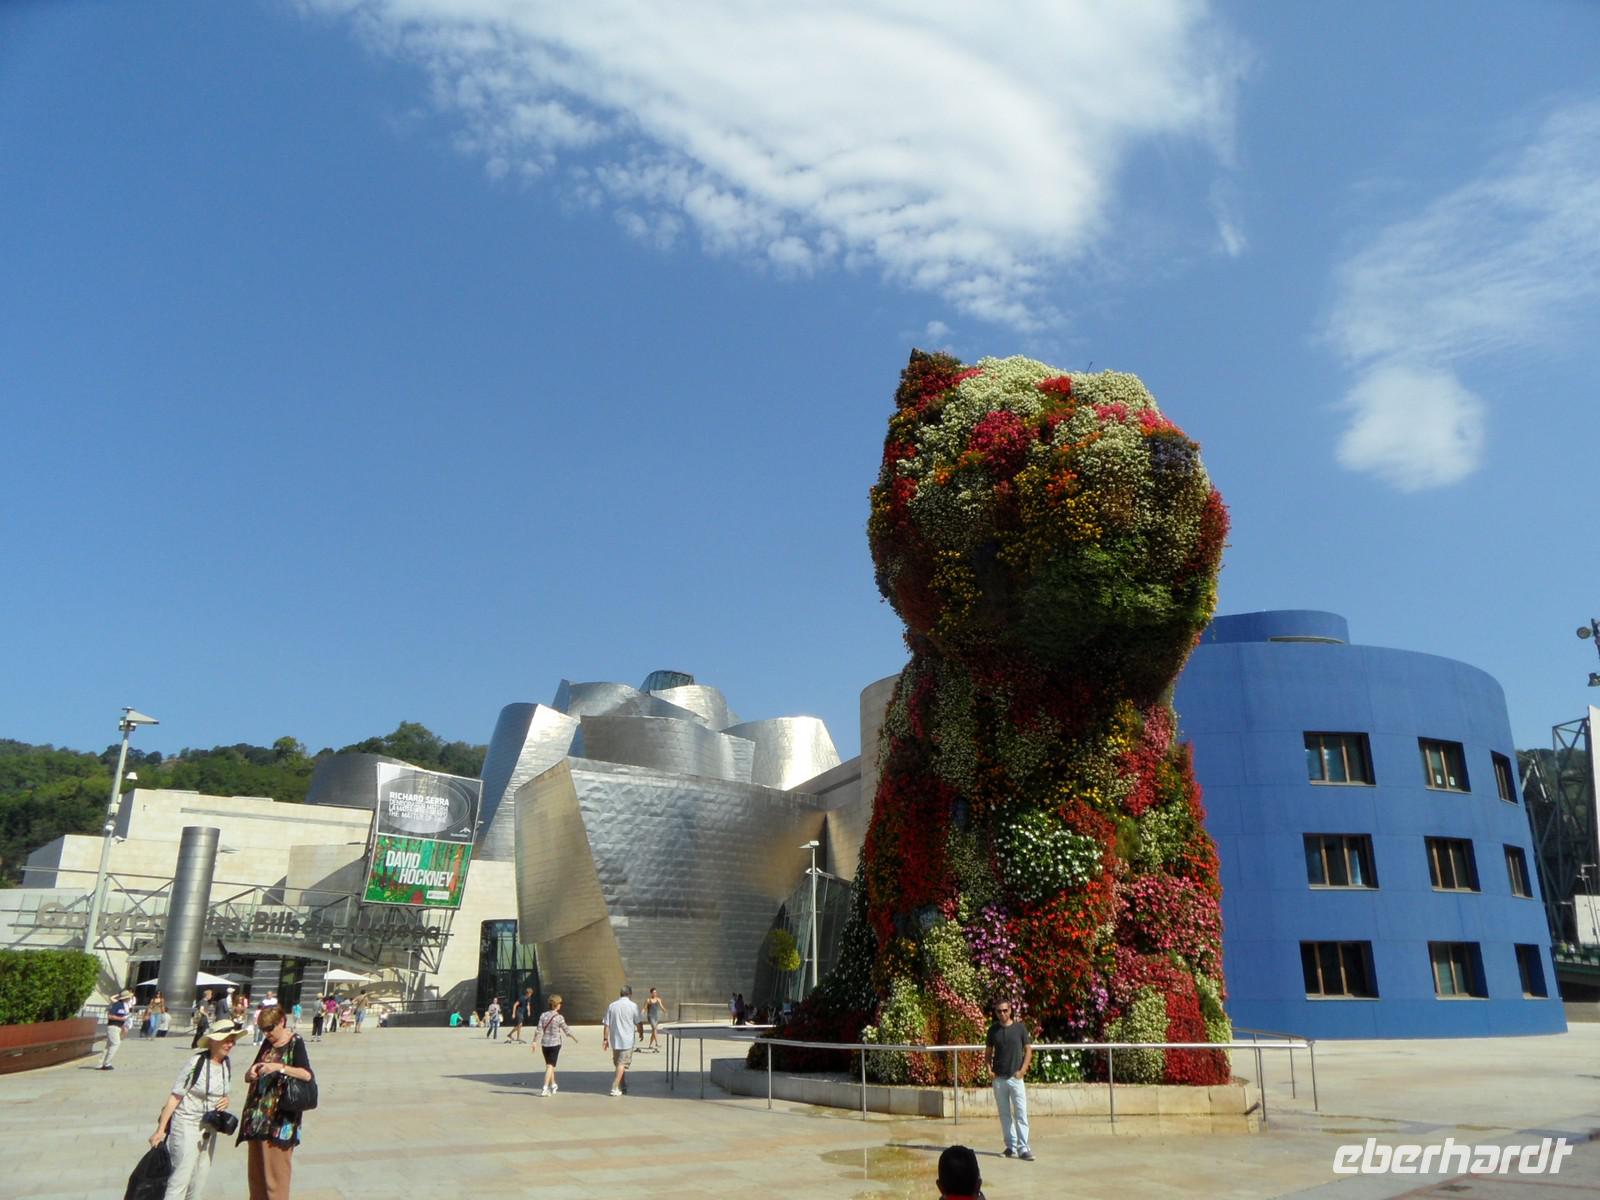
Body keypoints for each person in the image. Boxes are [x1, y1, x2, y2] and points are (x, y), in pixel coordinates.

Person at [148, 1018, 243, 1200]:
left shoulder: (226, 1064)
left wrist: (225, 1100)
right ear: (214, 1040)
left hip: (209, 1129)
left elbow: (221, 1092)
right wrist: (160, 1130)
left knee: (199, 1180)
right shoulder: (196, 1063)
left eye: (233, 1040)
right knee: (180, 1179)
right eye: (226, 1039)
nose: (230, 1044)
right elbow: (175, 1096)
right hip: (186, 1124)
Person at [238, 1005, 315, 1200]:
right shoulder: (266, 1044)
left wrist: (279, 1067)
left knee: (275, 1183)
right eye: (262, 1029)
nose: (267, 1033)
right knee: (256, 1181)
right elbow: (250, 1073)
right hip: (257, 1119)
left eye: (270, 1028)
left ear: (281, 1022)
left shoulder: (295, 1042)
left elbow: (306, 1074)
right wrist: (251, 1073)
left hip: (280, 1122)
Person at [986, 1000, 1033, 1161]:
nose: (1002, 1014)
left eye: (1005, 1010)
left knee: (1020, 1113)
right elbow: (988, 1052)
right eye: (999, 1011)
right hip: (999, 1079)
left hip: (1015, 1078)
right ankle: (1010, 1146)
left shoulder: (1020, 1028)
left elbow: (1028, 1050)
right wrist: (989, 1069)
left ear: (1010, 1010)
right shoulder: (993, 1030)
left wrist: (1022, 1070)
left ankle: (1024, 1147)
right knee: (1005, 1114)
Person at [601, 985, 640, 1097]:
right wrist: (641, 1032)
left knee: (619, 1064)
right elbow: (638, 1022)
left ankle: (623, 1085)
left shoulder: (612, 1006)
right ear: (630, 994)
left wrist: (605, 1039)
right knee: (622, 1064)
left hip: (615, 1040)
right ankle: (615, 1086)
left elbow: (606, 1024)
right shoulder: (633, 1006)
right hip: (627, 1041)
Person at [535, 994, 578, 1096]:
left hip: (544, 1044)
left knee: (550, 1065)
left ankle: (553, 1084)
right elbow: (566, 1029)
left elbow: (538, 1030)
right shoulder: (559, 1017)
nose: (561, 1005)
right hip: (555, 1044)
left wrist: (534, 1041)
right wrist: (573, 1037)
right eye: (560, 1003)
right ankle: (545, 1088)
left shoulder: (543, 1015)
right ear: (556, 1004)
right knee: (550, 1066)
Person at [101, 989, 132, 1069]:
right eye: (128, 997)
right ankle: (107, 1063)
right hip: (113, 1026)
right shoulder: (117, 1004)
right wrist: (122, 1019)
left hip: (118, 1027)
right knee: (116, 1043)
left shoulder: (124, 1005)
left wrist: (123, 1025)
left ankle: (101, 1063)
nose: (129, 999)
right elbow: (110, 1016)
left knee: (109, 1045)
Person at [644, 987, 666, 1052]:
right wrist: (642, 1012)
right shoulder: (648, 1000)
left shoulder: (658, 999)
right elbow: (644, 1007)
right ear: (651, 993)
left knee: (654, 1030)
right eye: (653, 992)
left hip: (656, 1016)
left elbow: (661, 1006)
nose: (655, 993)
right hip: (650, 1016)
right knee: (654, 1028)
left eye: (655, 992)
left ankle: (650, 1045)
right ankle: (657, 1043)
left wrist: (664, 1010)